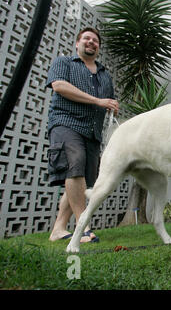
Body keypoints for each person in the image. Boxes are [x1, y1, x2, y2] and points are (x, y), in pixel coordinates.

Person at [46, 27, 119, 242]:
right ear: (77, 43)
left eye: (95, 40)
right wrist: (97, 101)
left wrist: (112, 105)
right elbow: (59, 86)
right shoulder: (64, 62)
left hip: (92, 132)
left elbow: (109, 100)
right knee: (74, 166)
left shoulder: (105, 75)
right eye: (86, 39)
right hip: (66, 123)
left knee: (80, 179)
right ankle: (82, 226)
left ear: (98, 48)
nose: (91, 42)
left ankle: (58, 229)